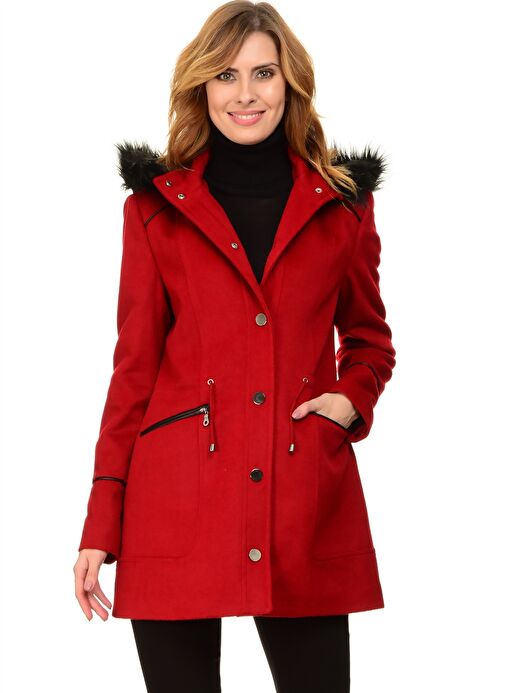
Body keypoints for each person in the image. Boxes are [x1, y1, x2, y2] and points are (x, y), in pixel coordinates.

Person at [73, 2, 396, 691]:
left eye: (262, 73)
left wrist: (349, 401)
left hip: (303, 504)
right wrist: (101, 520)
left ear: (290, 83)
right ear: (202, 86)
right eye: (225, 75)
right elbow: (132, 371)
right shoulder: (154, 209)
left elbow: (370, 339)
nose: (245, 93)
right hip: (174, 504)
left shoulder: (343, 206)